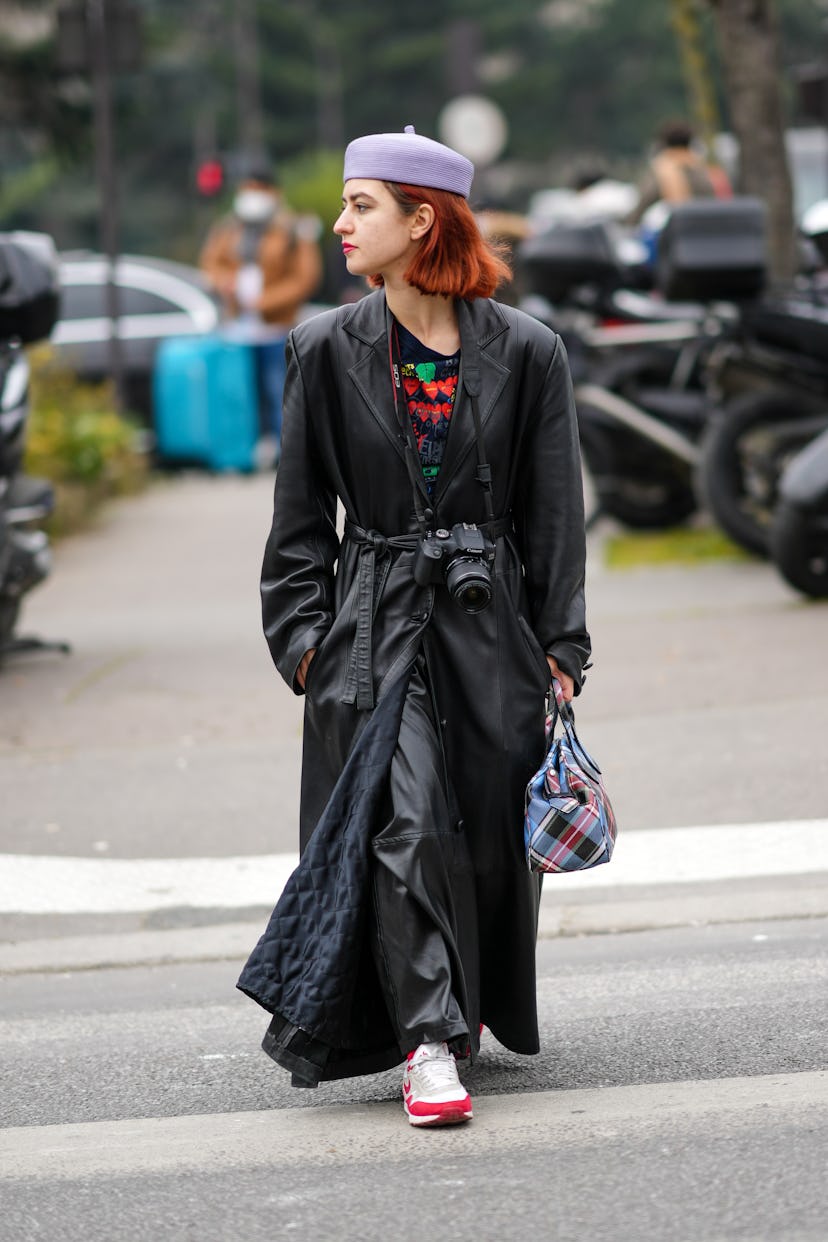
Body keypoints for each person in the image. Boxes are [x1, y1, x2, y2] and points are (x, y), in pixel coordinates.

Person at [237, 125, 591, 1129]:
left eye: (362, 205)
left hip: (490, 635)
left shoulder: (527, 351)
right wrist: (304, 645)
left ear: (422, 219)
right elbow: (299, 520)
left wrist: (560, 649)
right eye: (346, 205)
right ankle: (427, 1042)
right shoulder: (322, 348)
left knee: (472, 838)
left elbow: (555, 512)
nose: (338, 222)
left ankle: (452, 1009)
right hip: (369, 627)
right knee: (401, 820)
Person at [198, 163, 322, 466]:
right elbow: (210, 265)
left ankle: (287, 454)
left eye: (257, 189)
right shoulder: (228, 228)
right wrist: (223, 282)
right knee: (240, 393)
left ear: (273, 193)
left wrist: (265, 302)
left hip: (276, 326)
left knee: (280, 391)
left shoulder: (294, 228)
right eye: (246, 189)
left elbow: (306, 278)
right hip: (238, 328)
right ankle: (242, 453)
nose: (250, 196)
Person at [626, 119, 732, 226]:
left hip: (677, 232)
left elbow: (644, 202)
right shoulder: (707, 171)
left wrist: (629, 223)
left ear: (663, 144)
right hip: (708, 230)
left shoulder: (661, 170)